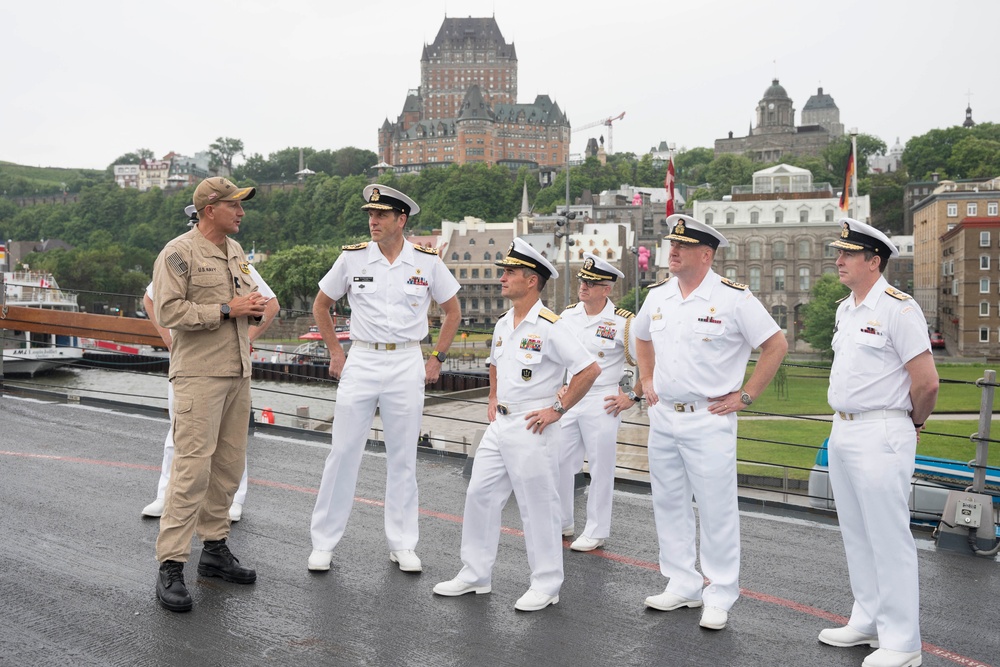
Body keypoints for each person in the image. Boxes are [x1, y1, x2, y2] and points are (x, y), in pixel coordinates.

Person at [634, 214, 787, 630]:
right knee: (669, 502)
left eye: (682, 247)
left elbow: (775, 344)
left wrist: (747, 395)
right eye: (671, 245)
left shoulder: (734, 299)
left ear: (706, 255)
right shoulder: (659, 295)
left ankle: (719, 592)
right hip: (665, 415)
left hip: (709, 416)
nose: (673, 252)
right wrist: (646, 378)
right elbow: (641, 336)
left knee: (717, 508)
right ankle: (682, 582)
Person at [433, 238, 601, 612]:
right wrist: (493, 397)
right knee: (480, 495)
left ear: (531, 281)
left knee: (537, 505)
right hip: (501, 424)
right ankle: (475, 573)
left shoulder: (551, 326)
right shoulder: (503, 322)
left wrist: (558, 409)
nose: (503, 277)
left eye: (510, 272)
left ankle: (546, 583)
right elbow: (495, 362)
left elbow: (589, 370)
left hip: (533, 425)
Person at [308, 185, 461, 574]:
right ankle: (324, 542)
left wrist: (436, 358)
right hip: (362, 358)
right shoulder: (352, 258)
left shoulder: (427, 262)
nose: (373, 221)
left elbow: (453, 311)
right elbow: (321, 305)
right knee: (342, 452)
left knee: (403, 457)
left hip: (407, 360)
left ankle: (403, 543)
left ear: (401, 220)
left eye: (381, 215)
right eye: (370, 215)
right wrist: (336, 352)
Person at [817, 219, 938, 667]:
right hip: (843, 428)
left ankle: (904, 643)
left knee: (889, 539)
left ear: (874, 261)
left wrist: (913, 425)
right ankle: (867, 619)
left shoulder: (898, 309)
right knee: (857, 533)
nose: (839, 260)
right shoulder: (846, 308)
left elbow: (926, 383)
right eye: (839, 252)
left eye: (848, 254)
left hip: (883, 430)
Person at [151, 177, 270, 612]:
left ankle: (215, 550)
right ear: (209, 209)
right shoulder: (178, 253)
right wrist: (226, 310)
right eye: (234, 206)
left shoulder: (235, 252)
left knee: (228, 465)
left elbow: (244, 301)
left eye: (241, 206)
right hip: (199, 376)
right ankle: (171, 566)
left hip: (237, 372)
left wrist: (248, 307)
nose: (241, 212)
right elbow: (167, 311)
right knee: (191, 472)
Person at [142, 206, 280, 523]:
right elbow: (151, 299)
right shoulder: (178, 257)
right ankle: (166, 494)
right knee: (178, 431)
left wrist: (247, 337)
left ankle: (232, 500)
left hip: (226, 361)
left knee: (230, 437)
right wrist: (168, 339)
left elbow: (270, 303)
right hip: (189, 359)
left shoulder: (235, 259)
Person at [556, 252, 640, 552]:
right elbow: (557, 358)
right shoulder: (567, 316)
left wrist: (632, 395)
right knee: (561, 462)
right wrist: (558, 387)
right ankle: (563, 521)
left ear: (607, 289)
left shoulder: (622, 323)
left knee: (601, 467)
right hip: (570, 398)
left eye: (592, 283)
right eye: (582, 281)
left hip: (603, 398)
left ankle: (596, 530)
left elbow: (647, 360)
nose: (584, 287)